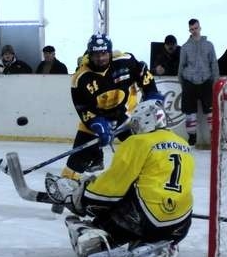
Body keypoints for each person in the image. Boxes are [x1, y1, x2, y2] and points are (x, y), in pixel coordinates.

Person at [47, 100, 194, 257]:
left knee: (89, 223)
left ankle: (102, 246)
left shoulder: (138, 142)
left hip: (142, 221)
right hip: (179, 226)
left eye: (137, 123)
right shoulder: (183, 144)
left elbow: (112, 186)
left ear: (146, 121)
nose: (134, 128)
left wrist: (82, 198)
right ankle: (160, 247)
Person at [58, 33, 163, 185]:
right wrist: (97, 124)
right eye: (96, 54)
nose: (100, 58)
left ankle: (149, 185)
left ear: (109, 52)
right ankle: (66, 188)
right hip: (99, 118)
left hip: (127, 117)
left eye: (104, 53)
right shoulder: (80, 78)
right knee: (77, 158)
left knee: (142, 154)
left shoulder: (125, 61)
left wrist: (152, 93)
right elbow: (83, 108)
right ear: (89, 54)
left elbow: (143, 73)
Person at [178, 18, 219, 146]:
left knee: (211, 110)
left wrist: (215, 81)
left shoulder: (209, 45)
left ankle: (214, 136)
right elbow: (181, 65)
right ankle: (192, 137)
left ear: (200, 28)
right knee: (190, 111)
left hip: (206, 80)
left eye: (196, 28)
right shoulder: (185, 47)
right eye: (192, 29)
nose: (194, 31)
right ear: (189, 30)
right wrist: (182, 82)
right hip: (189, 82)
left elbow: (214, 63)